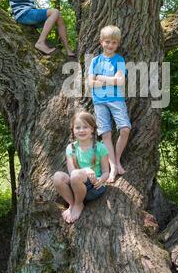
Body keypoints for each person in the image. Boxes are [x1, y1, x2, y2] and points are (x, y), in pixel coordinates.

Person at [88, 25, 131, 183]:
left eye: (114, 42)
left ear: (118, 43)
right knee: (105, 133)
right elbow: (91, 84)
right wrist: (110, 80)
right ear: (101, 42)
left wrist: (101, 78)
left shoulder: (119, 60)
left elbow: (120, 81)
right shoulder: (95, 61)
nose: (110, 45)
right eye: (107, 42)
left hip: (116, 100)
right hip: (99, 101)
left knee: (125, 129)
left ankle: (117, 159)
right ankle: (113, 167)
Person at [53, 110, 109, 223]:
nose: (81, 130)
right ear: (73, 130)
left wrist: (101, 180)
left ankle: (78, 205)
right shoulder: (71, 148)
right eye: (78, 127)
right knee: (57, 177)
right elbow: (72, 171)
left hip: (93, 187)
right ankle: (72, 204)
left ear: (92, 129)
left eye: (85, 127)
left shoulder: (100, 148)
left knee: (76, 175)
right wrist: (85, 169)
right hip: (76, 187)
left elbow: (106, 172)